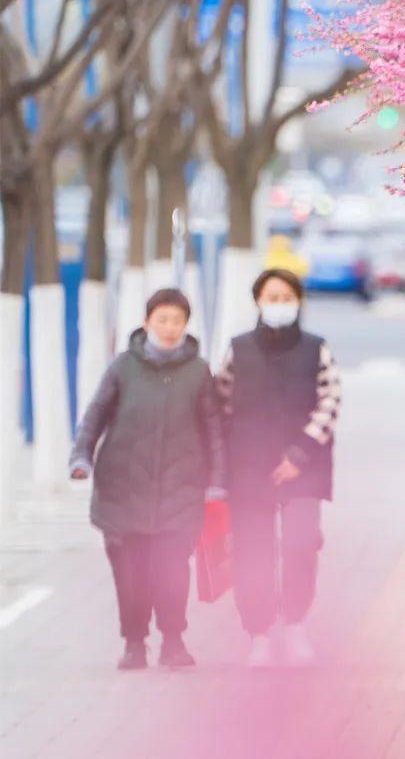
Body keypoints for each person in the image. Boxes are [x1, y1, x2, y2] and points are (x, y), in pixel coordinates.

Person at [69, 288, 225, 671]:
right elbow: (96, 415)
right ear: (147, 322)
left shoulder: (198, 371)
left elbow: (214, 431)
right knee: (131, 575)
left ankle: (174, 641)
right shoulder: (124, 366)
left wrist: (218, 480)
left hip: (181, 490)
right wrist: (81, 457)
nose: (170, 328)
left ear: (186, 325)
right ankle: (134, 643)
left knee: (171, 572)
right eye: (162, 320)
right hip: (123, 488)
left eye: (177, 321)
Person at [217, 268, 341, 667]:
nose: (279, 304)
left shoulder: (316, 348)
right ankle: (259, 632)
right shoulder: (237, 349)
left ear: (298, 302)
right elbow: (222, 405)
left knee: (301, 543)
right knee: (252, 551)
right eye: (271, 297)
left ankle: (295, 623)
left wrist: (299, 455)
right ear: (257, 301)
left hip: (304, 467)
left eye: (286, 297)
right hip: (249, 467)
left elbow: (330, 401)